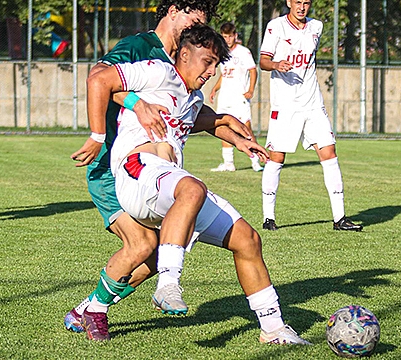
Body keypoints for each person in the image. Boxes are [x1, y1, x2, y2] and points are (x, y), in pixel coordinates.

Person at [88, 24, 310, 345]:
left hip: (164, 185)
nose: (211, 71)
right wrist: (99, 134)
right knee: (191, 189)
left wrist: (239, 140)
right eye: (206, 62)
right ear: (184, 54)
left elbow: (204, 120)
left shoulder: (191, 97)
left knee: (247, 239)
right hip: (136, 170)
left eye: (216, 65)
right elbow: (99, 78)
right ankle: (168, 286)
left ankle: (273, 328)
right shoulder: (157, 71)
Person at [64, 0, 258, 335]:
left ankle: (88, 308)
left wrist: (226, 124)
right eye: (194, 18)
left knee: (160, 252)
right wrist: (136, 104)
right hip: (114, 166)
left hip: (152, 168)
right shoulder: (139, 47)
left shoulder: (185, 64)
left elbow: (187, 114)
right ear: (172, 10)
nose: (197, 26)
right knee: (143, 246)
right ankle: (94, 309)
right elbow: (98, 78)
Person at [258, 0, 362, 232]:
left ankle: (340, 218)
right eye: (298, 2)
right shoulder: (276, 26)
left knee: (329, 152)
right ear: (289, 3)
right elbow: (263, 61)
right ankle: (268, 217)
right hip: (285, 105)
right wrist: (276, 64)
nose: (302, 7)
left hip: (313, 103)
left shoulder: (317, 26)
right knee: (277, 157)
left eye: (306, 3)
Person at [209, 22, 262, 172]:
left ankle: (255, 160)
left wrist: (250, 90)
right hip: (225, 98)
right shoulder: (221, 52)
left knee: (245, 129)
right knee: (222, 126)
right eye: (224, 36)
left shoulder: (243, 52)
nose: (227, 39)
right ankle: (228, 163)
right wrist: (215, 89)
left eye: (230, 36)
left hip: (239, 98)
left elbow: (253, 71)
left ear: (235, 36)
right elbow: (224, 74)